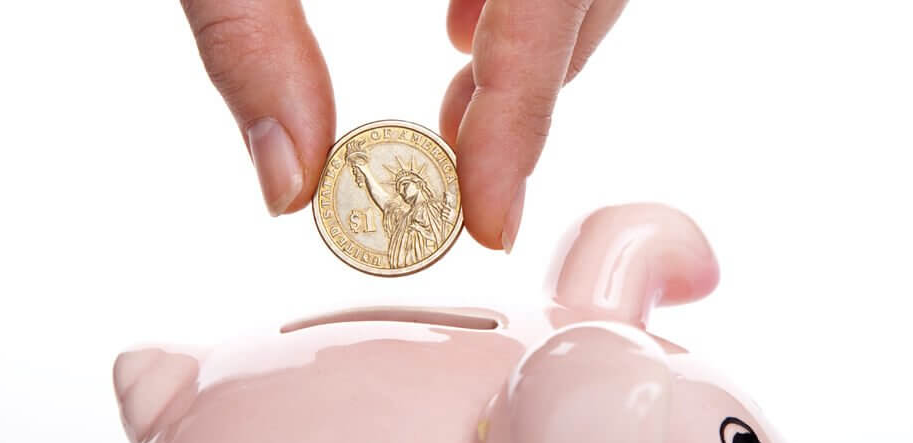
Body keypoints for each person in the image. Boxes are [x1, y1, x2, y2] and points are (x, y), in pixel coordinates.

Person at [178, 0, 628, 253]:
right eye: (408, 189)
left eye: (412, 189)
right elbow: (377, 193)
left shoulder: (423, 217)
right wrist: (358, 172)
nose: (409, 194)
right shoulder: (396, 211)